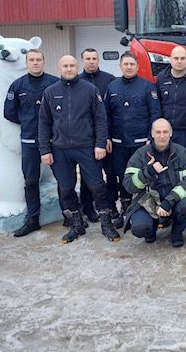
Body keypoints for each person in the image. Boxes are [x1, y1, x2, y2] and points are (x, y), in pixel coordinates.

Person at [38, 55, 120, 243]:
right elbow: (44, 122)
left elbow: (100, 118)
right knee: (66, 188)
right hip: (60, 149)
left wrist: (100, 144)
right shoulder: (50, 92)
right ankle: (76, 224)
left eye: (72, 65)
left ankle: (106, 223)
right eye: (65, 66)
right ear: (59, 68)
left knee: (98, 186)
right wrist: (45, 149)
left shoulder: (89, 90)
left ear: (77, 67)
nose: (69, 69)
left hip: (87, 147)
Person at [4, 49, 59, 237]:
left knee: (64, 178)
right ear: (26, 63)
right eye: (32, 60)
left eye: (38, 60)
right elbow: (9, 112)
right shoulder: (18, 86)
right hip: (29, 141)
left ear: (44, 62)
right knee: (30, 181)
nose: (35, 63)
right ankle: (33, 218)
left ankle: (69, 213)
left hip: (54, 140)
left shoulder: (54, 83)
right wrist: (28, 120)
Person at [105, 51, 161, 227]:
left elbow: (155, 114)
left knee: (144, 177)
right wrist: (106, 138)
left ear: (137, 66)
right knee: (122, 177)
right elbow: (105, 115)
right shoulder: (112, 87)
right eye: (125, 64)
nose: (128, 67)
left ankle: (144, 209)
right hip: (118, 143)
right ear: (120, 66)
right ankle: (125, 210)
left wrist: (150, 138)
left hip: (141, 144)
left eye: (132, 64)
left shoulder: (147, 86)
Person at [122, 118, 186, 247]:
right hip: (147, 202)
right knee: (140, 227)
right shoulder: (140, 155)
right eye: (158, 132)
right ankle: (150, 230)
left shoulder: (182, 153)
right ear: (152, 133)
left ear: (171, 133)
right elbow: (128, 185)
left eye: (165, 132)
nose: (161, 135)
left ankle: (177, 232)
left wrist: (168, 202)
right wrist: (148, 172)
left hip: (174, 201)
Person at [78, 48, 117, 224]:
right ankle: (88, 207)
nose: (91, 61)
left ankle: (111, 206)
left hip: (106, 137)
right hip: (85, 138)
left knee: (110, 173)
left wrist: (107, 137)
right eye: (88, 58)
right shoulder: (77, 81)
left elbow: (110, 112)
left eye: (94, 58)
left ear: (99, 60)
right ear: (82, 61)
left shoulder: (109, 80)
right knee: (89, 176)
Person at [156, 45, 186, 157]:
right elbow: (156, 104)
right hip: (165, 132)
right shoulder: (161, 78)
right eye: (176, 58)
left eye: (182, 58)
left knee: (184, 163)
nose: (179, 61)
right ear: (170, 59)